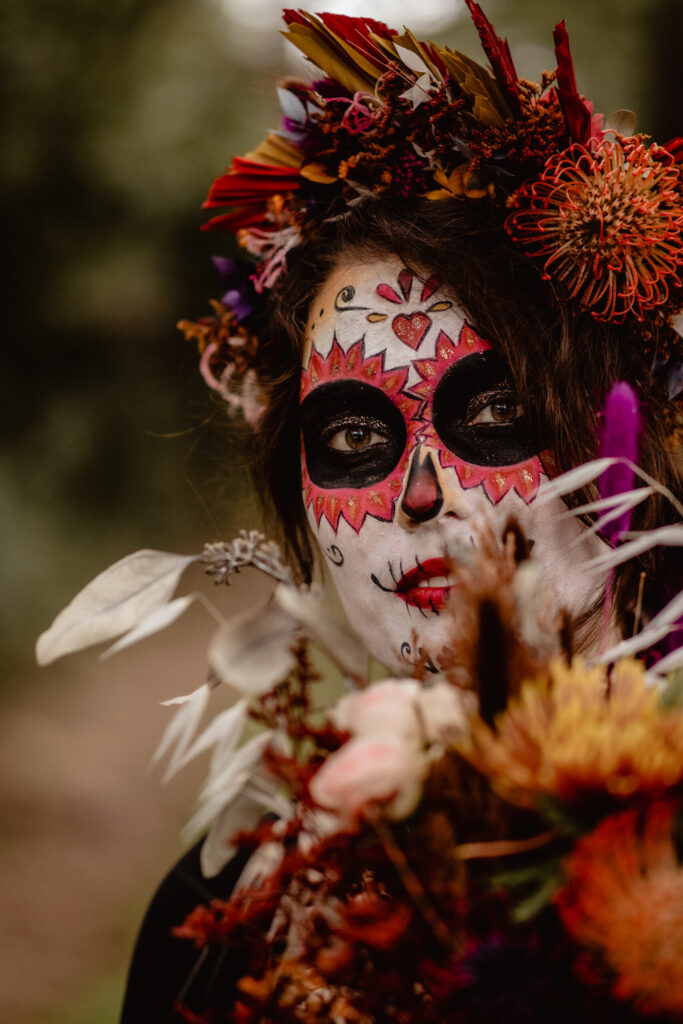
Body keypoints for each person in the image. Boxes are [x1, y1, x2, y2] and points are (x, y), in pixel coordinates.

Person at [114, 5, 682, 1020]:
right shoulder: (218, 928)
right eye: (352, 440)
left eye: (498, 412)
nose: (423, 492)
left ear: (623, 442)